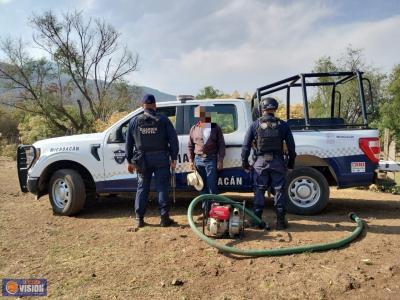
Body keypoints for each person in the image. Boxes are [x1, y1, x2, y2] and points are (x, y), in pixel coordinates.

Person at [241, 97, 296, 230]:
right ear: (275, 109)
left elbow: (245, 147)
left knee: (259, 190)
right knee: (279, 191)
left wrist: (245, 163)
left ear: (262, 109)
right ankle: (280, 222)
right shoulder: (283, 125)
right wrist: (290, 164)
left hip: (260, 163)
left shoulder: (255, 125)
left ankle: (256, 221)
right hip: (278, 162)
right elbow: (292, 148)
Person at [125, 94, 179, 228]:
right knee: (162, 187)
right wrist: (173, 158)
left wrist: (130, 161)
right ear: (155, 105)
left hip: (142, 160)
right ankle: (164, 219)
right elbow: (173, 140)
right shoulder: (163, 120)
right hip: (161, 158)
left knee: (142, 188)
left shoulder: (134, 121)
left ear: (142, 106)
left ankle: (139, 219)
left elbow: (128, 144)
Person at [188, 105, 226, 213]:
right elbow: (190, 146)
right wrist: (191, 161)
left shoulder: (215, 128)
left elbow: (221, 145)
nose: (201, 117)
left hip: (211, 159)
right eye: (199, 115)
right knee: (201, 187)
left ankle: (215, 212)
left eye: (203, 114)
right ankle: (205, 212)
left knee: (212, 186)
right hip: (198, 160)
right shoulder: (194, 128)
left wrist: (220, 160)